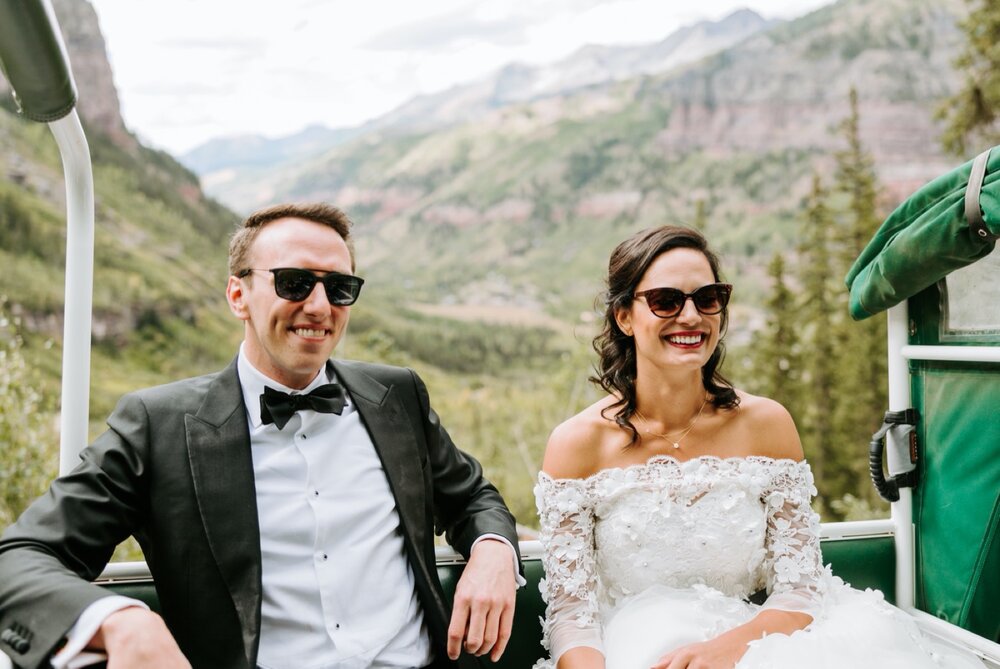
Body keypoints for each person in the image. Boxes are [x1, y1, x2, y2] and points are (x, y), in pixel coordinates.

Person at [0, 203, 522, 669]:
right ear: (238, 294)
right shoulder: (155, 426)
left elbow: (473, 495)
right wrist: (120, 620)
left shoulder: (398, 395)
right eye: (294, 282)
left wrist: (495, 550)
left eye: (339, 288)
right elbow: (19, 558)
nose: (319, 306)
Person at [532, 226, 979, 669]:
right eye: (666, 301)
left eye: (707, 298)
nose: (690, 317)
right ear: (624, 316)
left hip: (764, 648)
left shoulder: (766, 424)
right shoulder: (578, 444)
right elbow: (573, 616)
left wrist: (731, 649)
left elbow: (801, 586)